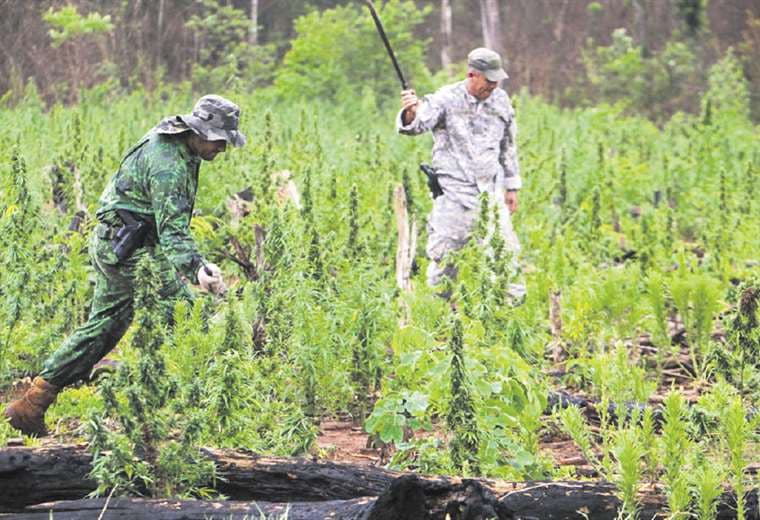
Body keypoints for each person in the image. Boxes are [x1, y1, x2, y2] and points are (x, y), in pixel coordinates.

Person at [4, 94, 245, 436]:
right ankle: (206, 410)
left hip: (116, 242)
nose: (222, 150)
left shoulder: (178, 142)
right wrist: (198, 270)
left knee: (105, 327)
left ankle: (32, 403)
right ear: (202, 132)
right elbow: (172, 231)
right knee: (188, 317)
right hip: (129, 250)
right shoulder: (169, 165)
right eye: (221, 142)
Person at [397, 47, 525, 300]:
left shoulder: (500, 101)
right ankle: (439, 317)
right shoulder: (446, 98)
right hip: (454, 195)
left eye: (496, 80)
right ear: (472, 75)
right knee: (444, 259)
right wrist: (411, 111)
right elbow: (416, 125)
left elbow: (507, 146)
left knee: (505, 256)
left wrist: (511, 186)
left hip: (491, 194)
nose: (493, 85)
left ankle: (509, 316)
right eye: (488, 80)